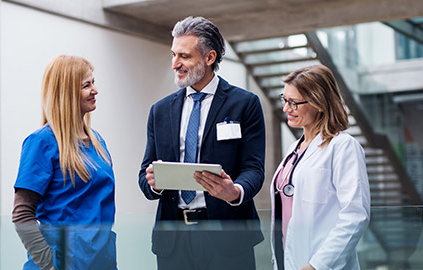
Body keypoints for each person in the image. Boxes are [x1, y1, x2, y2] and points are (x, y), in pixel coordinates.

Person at [138, 16, 266, 270]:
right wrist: (154, 183)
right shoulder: (160, 111)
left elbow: (254, 168)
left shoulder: (245, 104)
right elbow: (145, 176)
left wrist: (235, 192)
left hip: (227, 236)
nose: (175, 64)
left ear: (209, 58)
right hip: (173, 239)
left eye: (184, 56)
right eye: (173, 55)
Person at [12, 55, 116, 270]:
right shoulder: (42, 142)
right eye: (86, 85)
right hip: (61, 264)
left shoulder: (98, 142)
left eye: (93, 82)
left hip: (99, 261)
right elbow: (22, 213)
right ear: (67, 93)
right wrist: (48, 264)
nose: (95, 90)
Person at [270, 65, 370, 270]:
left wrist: (318, 265)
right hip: (286, 261)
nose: (286, 109)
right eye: (284, 99)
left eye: (294, 103)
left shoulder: (343, 146)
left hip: (319, 264)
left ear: (320, 104)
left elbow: (355, 215)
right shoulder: (294, 149)